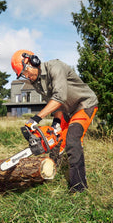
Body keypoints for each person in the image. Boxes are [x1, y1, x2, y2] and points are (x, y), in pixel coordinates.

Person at [11, 49, 98, 193]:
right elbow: (54, 101)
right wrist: (56, 123)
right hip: (66, 109)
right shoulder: (36, 83)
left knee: (72, 139)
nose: (26, 77)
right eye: (23, 75)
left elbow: (59, 97)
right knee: (55, 140)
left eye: (26, 72)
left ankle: (79, 187)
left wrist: (36, 118)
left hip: (84, 104)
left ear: (33, 62)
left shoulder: (55, 68)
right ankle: (51, 174)